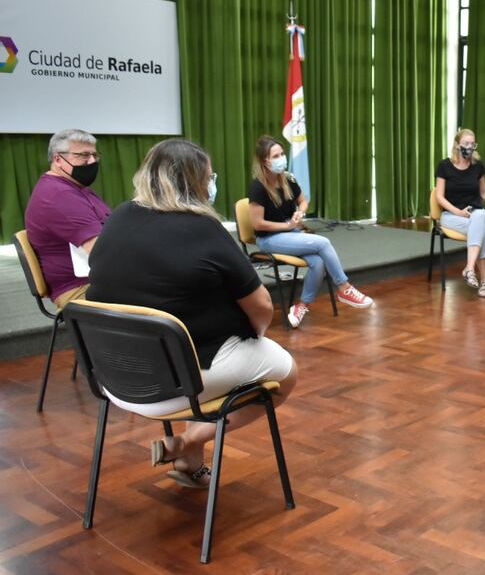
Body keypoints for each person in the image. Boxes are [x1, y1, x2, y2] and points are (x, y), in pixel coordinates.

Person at [87, 139, 298, 488]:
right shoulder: (202, 227)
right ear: (196, 182)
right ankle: (188, 442)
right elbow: (261, 307)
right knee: (286, 373)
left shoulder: (120, 215)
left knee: (197, 354)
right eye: (209, 176)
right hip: (173, 382)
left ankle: (189, 464)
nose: (212, 182)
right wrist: (253, 336)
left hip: (113, 377)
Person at [249, 135, 372, 327]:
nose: (282, 158)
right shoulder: (257, 187)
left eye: (282, 153)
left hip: (291, 234)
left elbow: (303, 201)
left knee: (318, 261)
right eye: (276, 156)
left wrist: (300, 213)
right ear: (265, 160)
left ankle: (302, 306)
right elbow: (258, 224)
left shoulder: (287, 178)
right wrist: (287, 226)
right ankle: (344, 287)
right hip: (269, 239)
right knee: (322, 242)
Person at [24, 129, 111, 307]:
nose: (92, 161)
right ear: (58, 159)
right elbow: (101, 252)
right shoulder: (59, 195)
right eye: (84, 155)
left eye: (95, 154)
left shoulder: (76, 188)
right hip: (82, 288)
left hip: (97, 279)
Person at [435, 128, 485, 298]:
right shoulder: (444, 166)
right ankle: (483, 281)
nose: (470, 147)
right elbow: (439, 196)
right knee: (480, 227)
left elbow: (483, 193)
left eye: (473, 144)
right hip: (451, 216)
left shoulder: (478, 166)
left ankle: (469, 269)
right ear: (457, 145)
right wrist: (458, 212)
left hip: (474, 213)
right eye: (466, 144)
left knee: (480, 216)